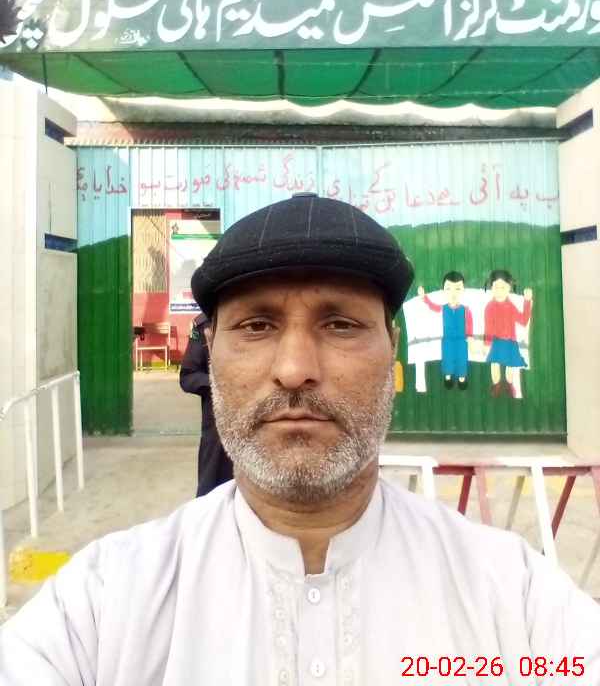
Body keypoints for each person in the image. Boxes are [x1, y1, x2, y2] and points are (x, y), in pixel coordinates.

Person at [1, 193, 599, 685]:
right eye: (256, 325)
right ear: (212, 348)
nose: (294, 369)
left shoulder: (512, 598)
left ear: (391, 348)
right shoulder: (104, 603)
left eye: (340, 324)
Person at [179, 311, 233, 496]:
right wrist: (222, 383)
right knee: (211, 491)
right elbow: (188, 377)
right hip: (218, 428)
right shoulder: (205, 325)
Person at [418, 271, 473, 390]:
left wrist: (470, 337)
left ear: (463, 290)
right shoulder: (443, 308)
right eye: (449, 289)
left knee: (461, 358)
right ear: (443, 291)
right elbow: (432, 306)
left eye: (457, 288)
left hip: (462, 340)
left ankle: (462, 378)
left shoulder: (466, 310)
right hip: (447, 340)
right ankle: (448, 376)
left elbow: (469, 324)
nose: (453, 293)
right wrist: (424, 297)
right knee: (448, 358)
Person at [483, 269, 532, 398]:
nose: (499, 291)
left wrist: (527, 301)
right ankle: (496, 385)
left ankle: (509, 385)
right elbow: (488, 327)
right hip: (496, 342)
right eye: (496, 287)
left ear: (509, 288)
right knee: (495, 365)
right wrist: (486, 344)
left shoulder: (511, 306)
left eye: (503, 287)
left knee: (510, 368)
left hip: (511, 343)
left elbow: (523, 320)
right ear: (491, 287)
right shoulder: (489, 307)